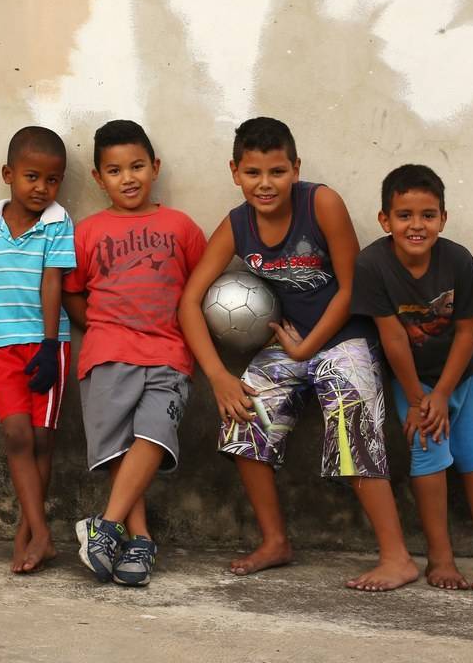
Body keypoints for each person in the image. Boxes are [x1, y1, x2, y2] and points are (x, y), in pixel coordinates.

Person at [178, 117, 419, 591]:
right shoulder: (237, 224)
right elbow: (189, 300)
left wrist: (309, 346)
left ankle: (397, 557)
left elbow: (353, 288)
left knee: (353, 423)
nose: (265, 184)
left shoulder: (320, 202)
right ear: (234, 171)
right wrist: (217, 376)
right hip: (287, 344)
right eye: (253, 173)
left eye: (277, 171)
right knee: (242, 415)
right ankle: (275, 541)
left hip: (345, 338)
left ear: (295, 168)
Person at [351, 163, 473, 592]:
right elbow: (393, 338)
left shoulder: (457, 259)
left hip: (464, 374)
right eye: (404, 216)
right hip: (412, 381)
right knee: (428, 456)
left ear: (443, 218)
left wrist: (443, 392)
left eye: (427, 215)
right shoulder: (372, 264)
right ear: (386, 220)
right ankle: (440, 557)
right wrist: (420, 400)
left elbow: (467, 329)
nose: (416, 225)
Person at [63, 120, 206, 587]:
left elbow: (201, 289)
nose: (129, 178)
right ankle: (139, 541)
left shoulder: (180, 227)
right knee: (119, 451)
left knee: (154, 436)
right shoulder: (88, 232)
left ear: (155, 168)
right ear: (98, 178)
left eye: (138, 166)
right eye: (115, 170)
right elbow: (73, 292)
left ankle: (104, 527)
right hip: (107, 354)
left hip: (169, 353)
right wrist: (105, 326)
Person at [0, 125, 75, 574]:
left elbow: (53, 282)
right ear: (8, 174)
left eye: (52, 179)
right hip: (0, 346)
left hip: (46, 345)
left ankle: (29, 533)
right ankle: (41, 533)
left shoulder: (58, 223)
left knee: (43, 440)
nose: (42, 188)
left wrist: (47, 343)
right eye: (31, 177)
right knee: (17, 436)